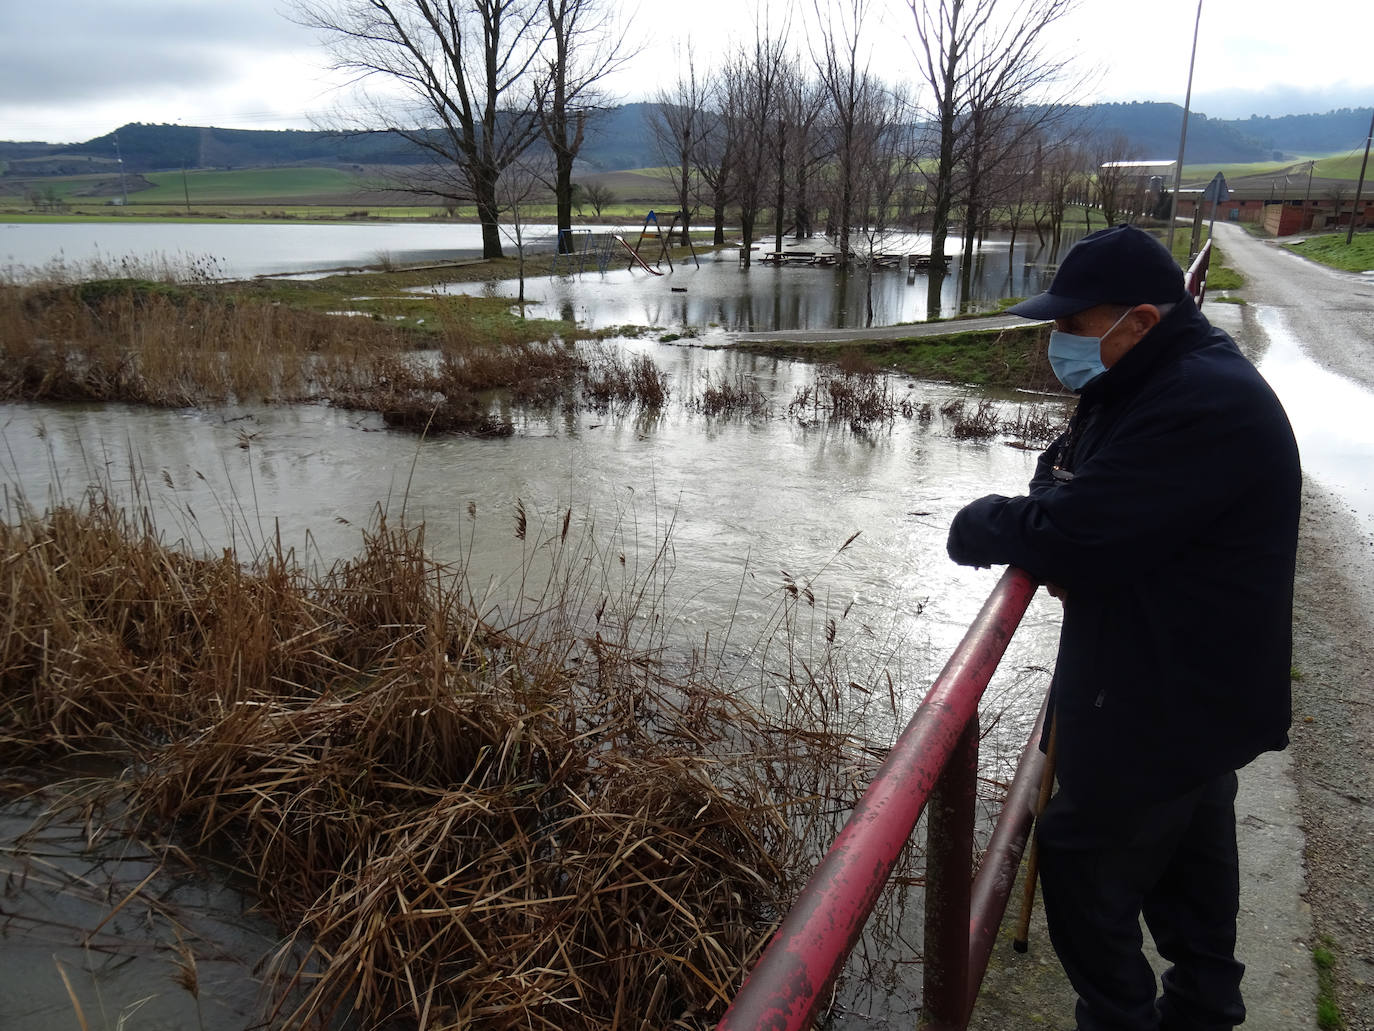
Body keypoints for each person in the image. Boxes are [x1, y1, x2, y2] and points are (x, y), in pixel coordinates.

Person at [946, 224, 1300, 1031]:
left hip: (1167, 694)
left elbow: (1076, 531)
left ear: (1138, 319)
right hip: (1189, 687)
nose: (1058, 342)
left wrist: (984, 523)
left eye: (1072, 325)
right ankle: (1204, 1009)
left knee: (1077, 856)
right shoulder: (1139, 381)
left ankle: (1124, 1019)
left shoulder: (1200, 401)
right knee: (1187, 866)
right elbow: (1065, 481)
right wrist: (1064, 519)